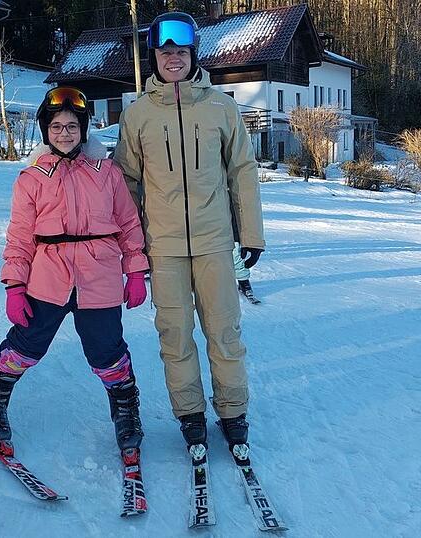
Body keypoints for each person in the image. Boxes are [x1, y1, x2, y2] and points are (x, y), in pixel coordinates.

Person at [113, 12, 266, 453]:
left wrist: (250, 235)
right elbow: (127, 184)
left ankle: (233, 412)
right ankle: (190, 414)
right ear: (155, 57)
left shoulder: (221, 107)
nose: (173, 59)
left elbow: (242, 172)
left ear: (192, 54)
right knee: (174, 336)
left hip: (216, 241)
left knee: (224, 332)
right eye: (165, 52)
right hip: (163, 248)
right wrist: (132, 247)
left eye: (181, 51)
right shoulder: (138, 114)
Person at [0, 87, 150, 454]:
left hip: (99, 277)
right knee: (26, 345)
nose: (64, 133)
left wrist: (135, 271)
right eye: (56, 127)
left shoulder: (107, 173)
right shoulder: (31, 179)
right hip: (48, 278)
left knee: (107, 350)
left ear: (84, 129)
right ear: (44, 131)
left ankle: (126, 410)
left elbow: (129, 224)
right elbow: (20, 237)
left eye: (71, 125)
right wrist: (15, 286)